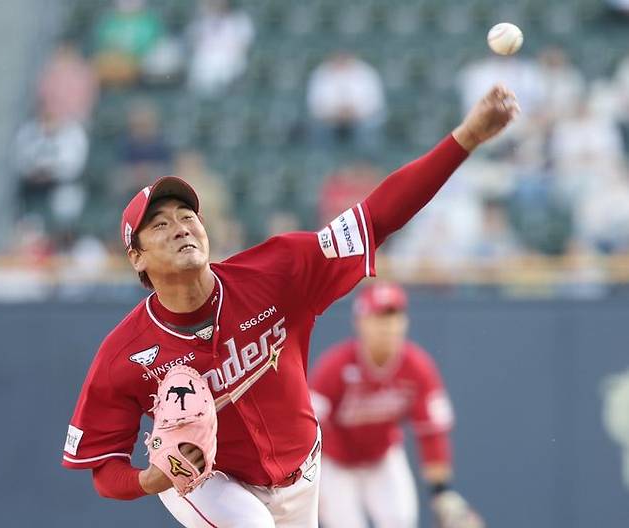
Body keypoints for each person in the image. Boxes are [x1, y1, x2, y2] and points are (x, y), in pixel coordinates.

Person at [61, 85, 518, 527]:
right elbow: (104, 469)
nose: (180, 227)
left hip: (303, 467)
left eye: (187, 216)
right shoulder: (125, 354)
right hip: (207, 481)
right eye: (159, 225)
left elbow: (377, 216)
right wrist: (150, 478)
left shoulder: (276, 273)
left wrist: (467, 138)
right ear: (136, 256)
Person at [309, 281, 482, 528]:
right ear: (360, 322)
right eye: (379, 317)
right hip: (336, 463)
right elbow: (308, 429)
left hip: (383, 458)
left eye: (395, 317)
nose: (388, 326)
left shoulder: (417, 367)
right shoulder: (334, 367)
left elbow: (432, 433)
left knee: (400, 521)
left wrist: (441, 492)